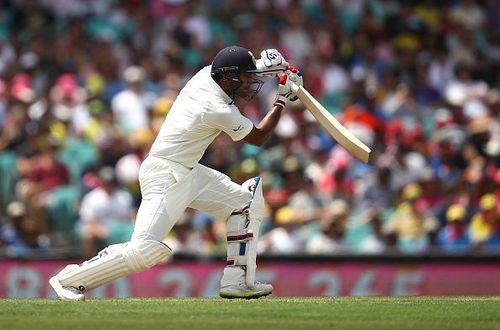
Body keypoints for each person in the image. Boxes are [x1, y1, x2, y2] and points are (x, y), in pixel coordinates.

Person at [49, 46, 303, 300]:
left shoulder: (208, 74)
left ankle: (237, 282)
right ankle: (68, 280)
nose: (250, 83)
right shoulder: (214, 107)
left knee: (245, 204)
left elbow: (239, 66)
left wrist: (275, 65)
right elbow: (258, 137)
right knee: (143, 251)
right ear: (228, 78)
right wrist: (281, 99)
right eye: (246, 78)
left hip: (188, 171)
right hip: (165, 174)